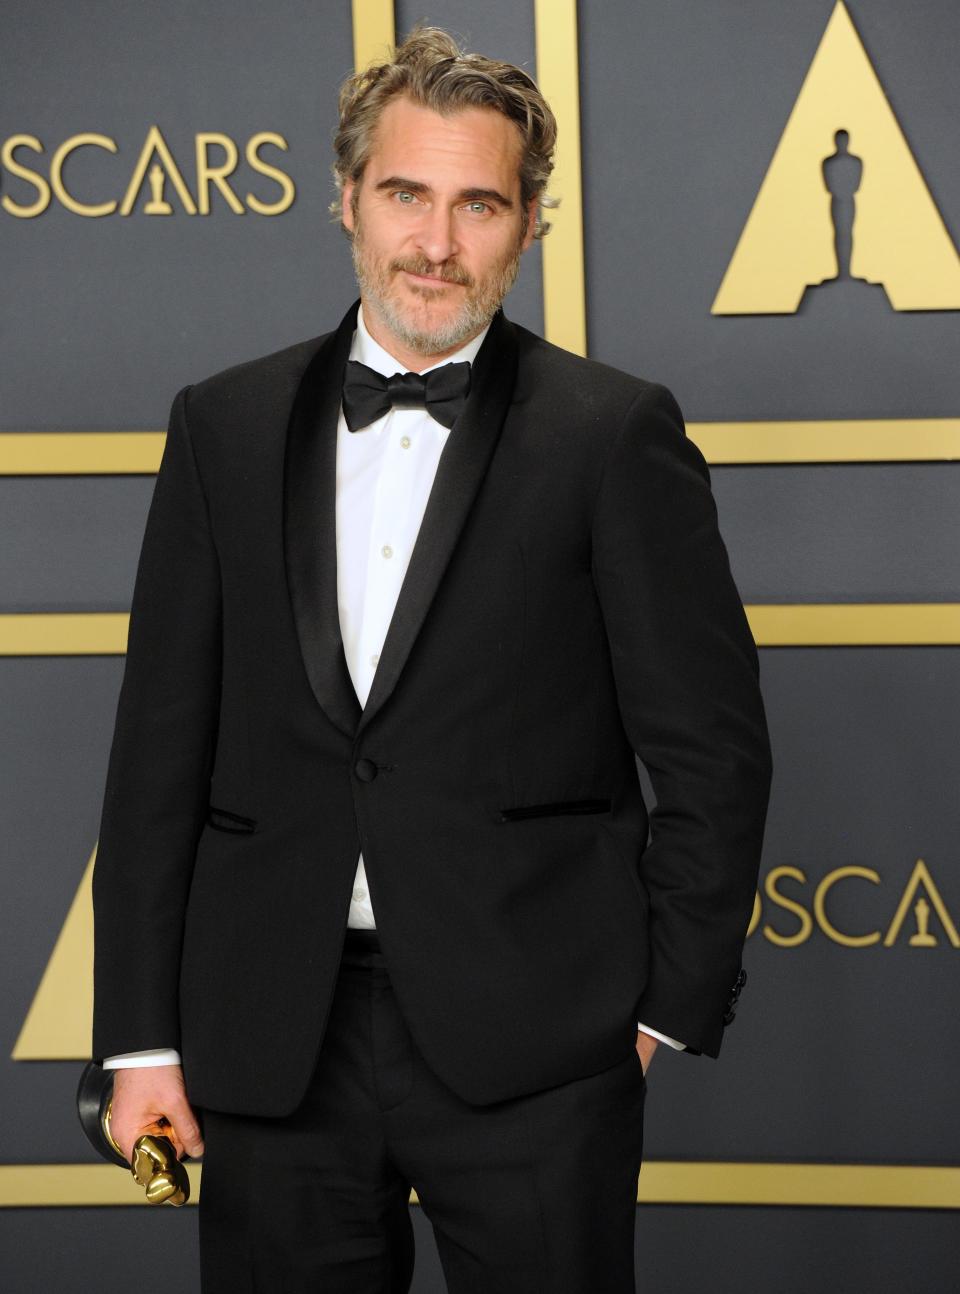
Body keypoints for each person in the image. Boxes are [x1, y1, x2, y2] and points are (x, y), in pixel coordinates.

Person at [93, 25, 772, 1294]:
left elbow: (713, 749)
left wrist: (652, 1017)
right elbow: (154, 758)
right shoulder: (221, 424)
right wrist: (140, 1042)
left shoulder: (615, 434)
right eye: (406, 193)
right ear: (344, 197)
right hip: (269, 1035)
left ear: (529, 226)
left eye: (479, 204)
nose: (436, 242)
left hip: (540, 1041)